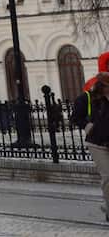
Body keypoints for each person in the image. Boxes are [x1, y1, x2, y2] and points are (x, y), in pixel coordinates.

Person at [74, 56, 109, 222]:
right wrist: (88, 126)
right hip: (97, 143)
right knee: (108, 176)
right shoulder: (88, 98)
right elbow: (76, 117)